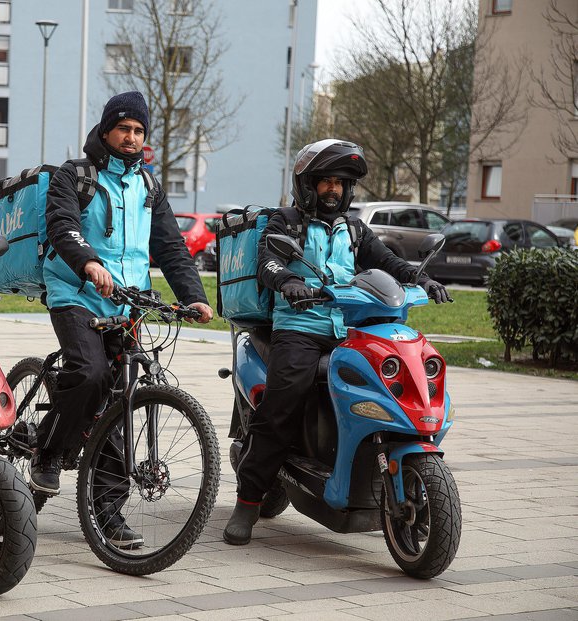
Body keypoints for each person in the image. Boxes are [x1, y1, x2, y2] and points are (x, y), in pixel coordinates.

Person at [223, 138, 450, 546]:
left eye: (341, 183)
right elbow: (268, 262)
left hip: (350, 328)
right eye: (326, 181)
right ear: (308, 185)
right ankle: (248, 500)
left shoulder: (356, 229)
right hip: (300, 328)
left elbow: (388, 263)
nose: (334, 190)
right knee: (283, 405)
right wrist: (287, 281)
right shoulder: (285, 222)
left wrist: (422, 278)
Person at [29, 91, 214, 548]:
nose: (131, 138)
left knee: (121, 401)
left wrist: (194, 298)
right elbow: (63, 226)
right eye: (123, 129)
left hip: (128, 303)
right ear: (107, 130)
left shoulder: (149, 187)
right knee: (90, 373)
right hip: (76, 291)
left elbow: (171, 248)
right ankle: (48, 451)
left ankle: (107, 514)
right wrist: (89, 262)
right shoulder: (75, 175)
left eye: (138, 131)